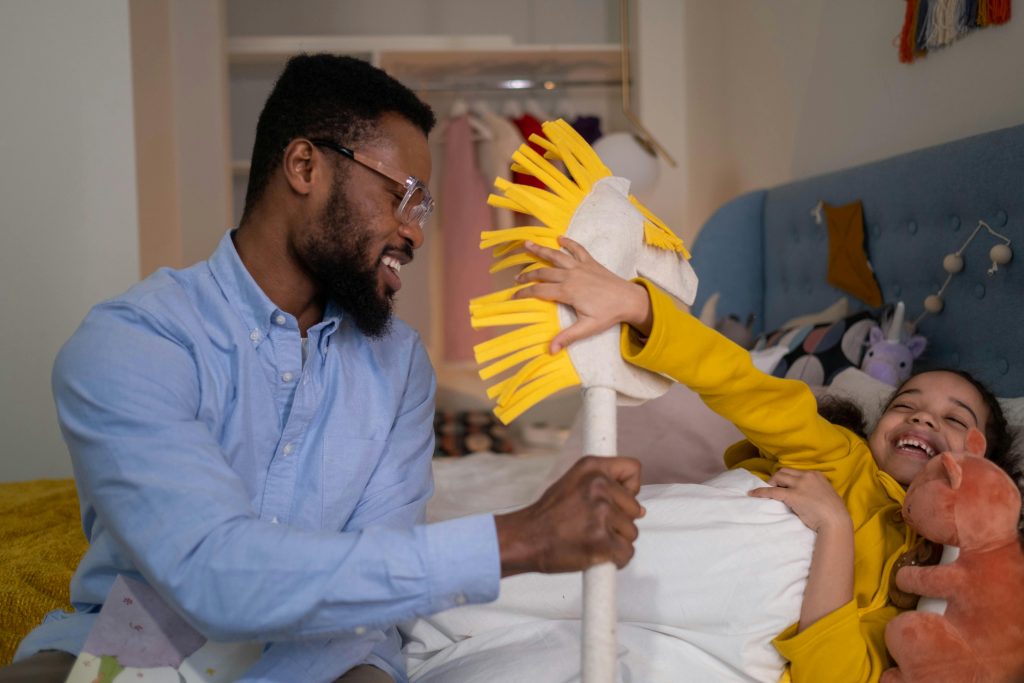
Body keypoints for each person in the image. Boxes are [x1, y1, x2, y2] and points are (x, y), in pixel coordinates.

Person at [2, 55, 644, 683]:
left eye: (423, 209)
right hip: (140, 640)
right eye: (402, 196)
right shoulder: (135, 340)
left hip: (327, 654)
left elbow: (378, 590)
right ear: (305, 166)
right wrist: (520, 538)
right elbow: (210, 571)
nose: (415, 234)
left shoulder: (400, 365)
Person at [513, 235, 1015, 683]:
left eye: (955, 419)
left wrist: (835, 528)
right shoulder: (839, 456)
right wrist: (640, 309)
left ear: (985, 463)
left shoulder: (935, 595)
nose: (923, 417)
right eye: (904, 405)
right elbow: (746, 388)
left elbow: (834, 677)